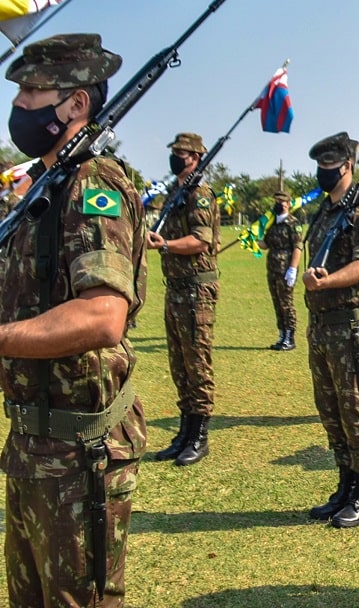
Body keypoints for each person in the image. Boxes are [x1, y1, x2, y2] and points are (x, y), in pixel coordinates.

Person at [0, 33, 147, 607]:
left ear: (77, 104)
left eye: (34, 91)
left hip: (79, 454)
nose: (20, 105)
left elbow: (103, 315)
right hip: (34, 442)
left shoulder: (94, 185)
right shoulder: (45, 186)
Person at [303, 132, 359, 528]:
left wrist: (326, 282)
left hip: (352, 329)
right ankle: (345, 485)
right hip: (321, 328)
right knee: (331, 412)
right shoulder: (323, 212)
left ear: (348, 166)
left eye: (329, 166)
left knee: (356, 411)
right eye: (319, 166)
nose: (323, 172)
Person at [146, 132, 219, 467]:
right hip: (176, 287)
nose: (175, 156)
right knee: (179, 363)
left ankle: (199, 435)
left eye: (182, 153)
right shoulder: (178, 191)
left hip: (196, 288)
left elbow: (201, 240)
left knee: (196, 362)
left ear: (197, 158)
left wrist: (165, 245)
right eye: (173, 151)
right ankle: (184, 431)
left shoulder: (200, 195)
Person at [262, 188, 303, 351]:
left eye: (281, 201)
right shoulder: (273, 222)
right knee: (277, 302)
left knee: (286, 303)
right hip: (272, 268)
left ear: (288, 204)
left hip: (285, 268)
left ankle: (290, 337)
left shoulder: (293, 223)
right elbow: (266, 244)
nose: (278, 204)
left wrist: (292, 269)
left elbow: (298, 248)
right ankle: (281, 335)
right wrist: (250, 240)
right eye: (276, 201)